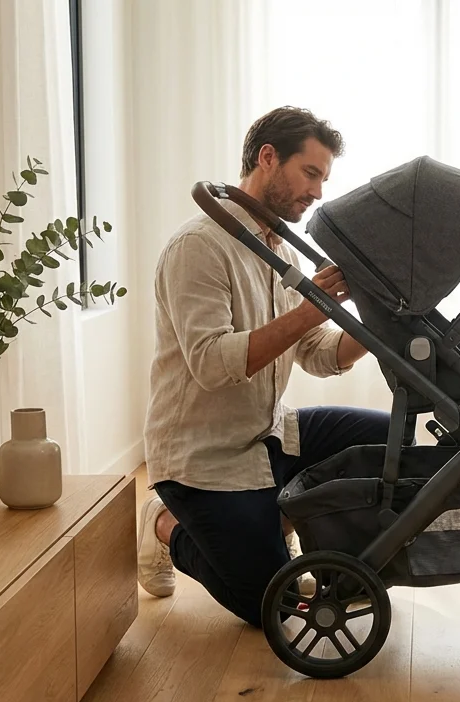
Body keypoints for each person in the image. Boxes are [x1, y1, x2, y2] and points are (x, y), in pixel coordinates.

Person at [137, 106, 389, 627]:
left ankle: (278, 513)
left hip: (271, 432)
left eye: (323, 177)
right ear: (268, 158)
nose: (318, 191)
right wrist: (306, 311)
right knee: (272, 608)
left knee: (392, 440)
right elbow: (210, 363)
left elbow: (318, 353)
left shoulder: (282, 254)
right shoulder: (198, 247)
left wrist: (377, 325)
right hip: (205, 460)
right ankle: (163, 524)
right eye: (311, 173)